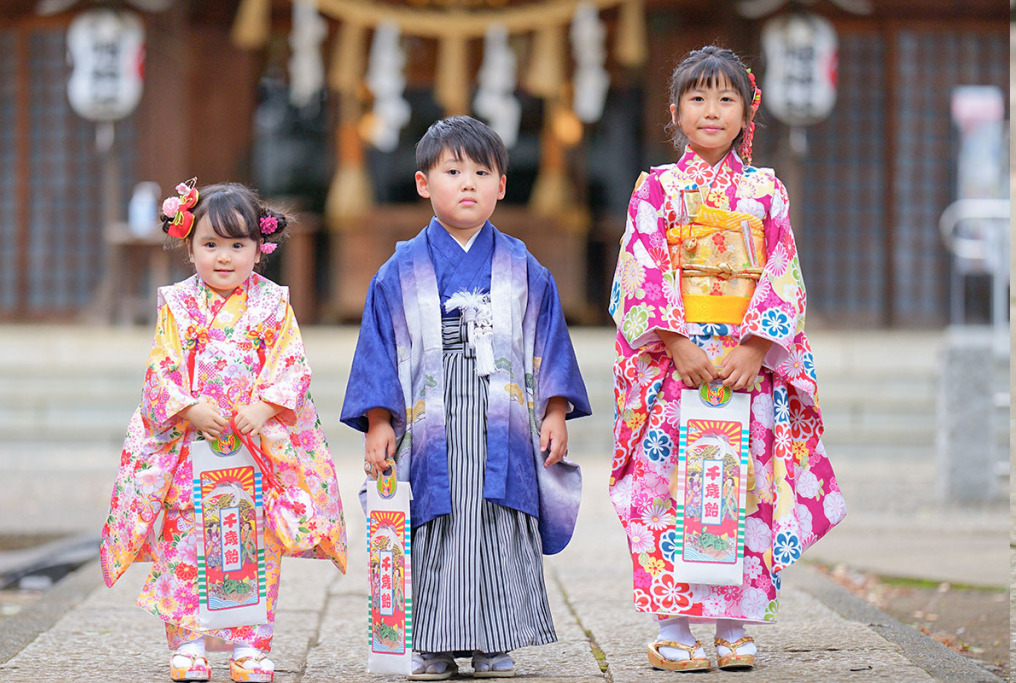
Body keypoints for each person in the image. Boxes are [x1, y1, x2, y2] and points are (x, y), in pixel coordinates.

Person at [608, 46, 846, 672]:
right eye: (697, 97)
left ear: (748, 111)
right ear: (675, 110)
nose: (711, 110)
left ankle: (736, 624)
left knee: (746, 486)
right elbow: (640, 271)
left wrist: (756, 346)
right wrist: (679, 343)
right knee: (668, 489)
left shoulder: (765, 189)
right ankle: (675, 624)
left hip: (746, 367)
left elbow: (782, 271)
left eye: (726, 98)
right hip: (673, 364)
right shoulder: (656, 188)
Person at [341, 115, 591, 681]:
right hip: (428, 415)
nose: (469, 182)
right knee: (434, 518)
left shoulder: (523, 267)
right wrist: (379, 419)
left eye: (483, 171)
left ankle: (492, 639)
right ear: (424, 183)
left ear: (503, 185)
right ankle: (431, 642)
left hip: (501, 414)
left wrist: (554, 410)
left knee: (497, 517)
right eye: (453, 171)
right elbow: (378, 347)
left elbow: (549, 341)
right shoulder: (398, 270)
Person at [100, 179, 347, 683]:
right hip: (191, 444)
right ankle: (187, 643)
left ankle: (249, 646)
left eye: (238, 245)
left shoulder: (273, 304)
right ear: (188, 248)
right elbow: (161, 368)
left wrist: (263, 407)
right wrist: (187, 408)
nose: (224, 257)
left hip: (254, 443)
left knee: (252, 540)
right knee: (185, 540)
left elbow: (293, 367)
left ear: (261, 249)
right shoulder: (177, 304)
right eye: (211, 244)